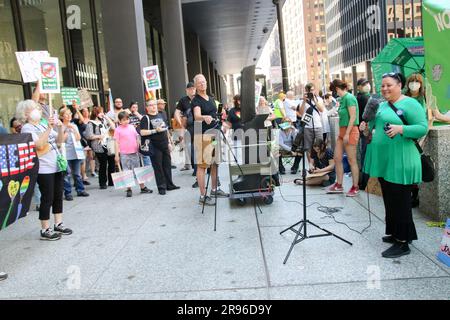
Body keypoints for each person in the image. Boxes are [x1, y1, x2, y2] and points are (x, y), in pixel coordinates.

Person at [361, 72, 428, 258]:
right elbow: (373, 125)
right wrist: (365, 127)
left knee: (400, 201)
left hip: (402, 160)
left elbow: (423, 127)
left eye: (389, 85)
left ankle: (402, 242)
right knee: (390, 199)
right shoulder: (381, 105)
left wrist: (402, 129)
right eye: (382, 85)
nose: (385, 89)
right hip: (384, 161)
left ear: (399, 85)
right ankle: (396, 233)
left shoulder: (411, 104)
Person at [18, 100, 73, 241]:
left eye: (38, 107)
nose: (38, 110)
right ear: (26, 113)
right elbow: (39, 144)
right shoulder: (27, 128)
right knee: (47, 198)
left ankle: (58, 223)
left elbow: (60, 141)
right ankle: (45, 228)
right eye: (34, 108)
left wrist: (60, 128)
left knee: (57, 195)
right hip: (43, 168)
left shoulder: (42, 124)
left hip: (56, 165)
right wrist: (49, 128)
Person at [192, 74, 228, 205]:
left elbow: (217, 114)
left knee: (215, 162)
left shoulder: (211, 98)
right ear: (195, 85)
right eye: (199, 83)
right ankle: (202, 196)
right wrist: (204, 117)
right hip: (203, 135)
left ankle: (215, 189)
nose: (202, 84)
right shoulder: (196, 100)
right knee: (202, 165)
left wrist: (222, 123)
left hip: (215, 134)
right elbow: (196, 116)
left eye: (204, 82)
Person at [326, 79, 360, 197]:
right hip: (342, 131)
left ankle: (355, 186)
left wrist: (347, 133)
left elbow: (353, 117)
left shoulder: (349, 98)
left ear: (336, 89)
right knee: (337, 158)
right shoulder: (341, 99)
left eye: (334, 91)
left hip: (350, 131)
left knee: (352, 160)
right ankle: (339, 184)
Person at [140, 103, 179, 195]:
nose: (153, 106)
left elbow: (165, 129)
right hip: (154, 145)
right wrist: (154, 130)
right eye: (151, 105)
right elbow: (142, 132)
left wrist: (169, 142)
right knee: (158, 167)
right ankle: (161, 187)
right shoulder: (145, 118)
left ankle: (170, 185)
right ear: (147, 107)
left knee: (167, 165)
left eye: (154, 104)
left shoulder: (161, 115)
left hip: (164, 144)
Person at [114, 112, 153, 197]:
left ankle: (142, 187)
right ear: (120, 121)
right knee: (126, 171)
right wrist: (116, 155)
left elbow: (137, 137)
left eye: (127, 119)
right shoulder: (117, 130)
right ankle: (129, 189)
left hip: (135, 152)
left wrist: (140, 148)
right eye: (123, 120)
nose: (126, 121)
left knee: (138, 169)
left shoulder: (132, 127)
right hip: (124, 153)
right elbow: (116, 142)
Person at [405, 73, 427, 208]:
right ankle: (408, 192)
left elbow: (431, 114)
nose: (414, 84)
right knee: (407, 164)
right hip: (405, 133)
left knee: (416, 164)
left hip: (420, 136)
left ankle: (415, 194)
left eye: (417, 81)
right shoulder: (404, 98)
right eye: (412, 81)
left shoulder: (424, 98)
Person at [59, 107, 90, 201]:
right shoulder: (60, 126)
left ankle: (80, 190)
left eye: (70, 114)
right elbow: (60, 141)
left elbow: (78, 138)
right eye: (66, 114)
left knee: (77, 173)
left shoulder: (73, 125)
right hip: (65, 153)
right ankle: (68, 192)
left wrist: (74, 129)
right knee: (67, 173)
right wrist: (64, 132)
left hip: (76, 152)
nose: (69, 116)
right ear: (62, 116)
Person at [84, 106, 116, 189]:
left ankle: (112, 181)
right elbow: (89, 135)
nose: (102, 113)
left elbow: (113, 127)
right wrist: (99, 136)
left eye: (102, 112)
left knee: (112, 162)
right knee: (103, 164)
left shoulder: (104, 121)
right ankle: (102, 183)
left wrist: (106, 117)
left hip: (109, 143)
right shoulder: (91, 123)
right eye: (100, 112)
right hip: (99, 145)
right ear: (96, 113)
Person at [298, 83, 325, 162]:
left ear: (315, 90)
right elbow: (301, 112)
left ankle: (320, 164)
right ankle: (311, 166)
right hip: (307, 126)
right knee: (308, 147)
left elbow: (321, 110)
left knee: (321, 146)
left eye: (312, 90)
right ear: (306, 91)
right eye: (309, 90)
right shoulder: (303, 100)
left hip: (318, 125)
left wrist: (314, 100)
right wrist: (303, 101)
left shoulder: (319, 99)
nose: (311, 92)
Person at [174, 82, 197, 175]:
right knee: (190, 148)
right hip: (189, 128)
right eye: (190, 89)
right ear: (187, 90)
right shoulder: (183, 100)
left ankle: (202, 168)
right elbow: (176, 113)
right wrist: (181, 124)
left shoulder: (199, 98)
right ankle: (195, 168)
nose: (192, 90)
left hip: (201, 127)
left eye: (193, 88)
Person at [356, 78, 371, 174]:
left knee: (363, 150)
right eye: (364, 84)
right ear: (358, 87)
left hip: (360, 126)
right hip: (365, 127)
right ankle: (365, 172)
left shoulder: (359, 97)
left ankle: (363, 171)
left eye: (367, 83)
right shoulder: (364, 98)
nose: (367, 86)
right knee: (365, 150)